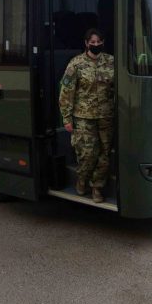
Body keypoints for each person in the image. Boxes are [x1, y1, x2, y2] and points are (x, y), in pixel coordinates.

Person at [58, 28, 114, 203]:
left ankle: (97, 188)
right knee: (88, 154)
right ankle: (82, 180)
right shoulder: (76, 64)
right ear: (86, 43)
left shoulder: (111, 61)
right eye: (92, 42)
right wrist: (66, 119)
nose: (96, 45)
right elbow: (66, 92)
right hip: (83, 117)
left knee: (104, 154)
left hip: (106, 116)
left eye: (99, 42)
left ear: (103, 42)